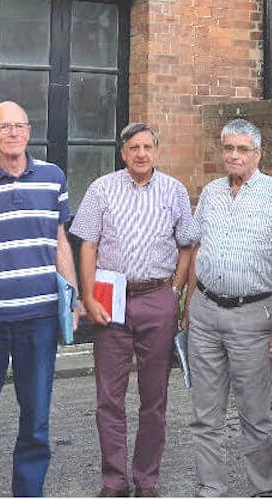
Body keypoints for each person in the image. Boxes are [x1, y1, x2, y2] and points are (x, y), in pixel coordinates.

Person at [0, 101, 79, 498]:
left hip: (39, 318)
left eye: (19, 125)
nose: (12, 133)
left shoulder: (52, 177)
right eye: (2, 127)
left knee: (37, 419)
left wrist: (71, 298)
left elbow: (60, 240)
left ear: (29, 132)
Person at [72, 122, 198, 498]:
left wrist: (175, 290)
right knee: (108, 396)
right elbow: (88, 245)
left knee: (154, 396)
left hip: (156, 296)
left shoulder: (173, 191)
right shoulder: (102, 189)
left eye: (147, 147)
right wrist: (89, 296)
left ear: (156, 151)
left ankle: (146, 480)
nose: (141, 154)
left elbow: (187, 244)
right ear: (123, 153)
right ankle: (113, 481)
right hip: (111, 298)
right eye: (134, 148)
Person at [183, 119, 272, 498]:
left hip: (253, 315)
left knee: (255, 414)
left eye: (242, 149)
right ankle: (211, 486)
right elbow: (198, 247)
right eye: (228, 148)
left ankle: (263, 488)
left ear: (257, 154)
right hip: (204, 312)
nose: (233, 155)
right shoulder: (212, 192)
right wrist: (187, 302)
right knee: (205, 413)